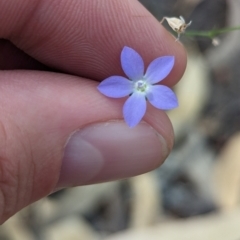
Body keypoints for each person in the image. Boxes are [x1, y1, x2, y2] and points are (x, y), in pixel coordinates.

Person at [0, 0, 186, 223]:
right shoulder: (124, 79)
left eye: (143, 85)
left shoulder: (155, 82)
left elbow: (162, 84)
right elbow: (108, 86)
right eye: (141, 85)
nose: (141, 86)